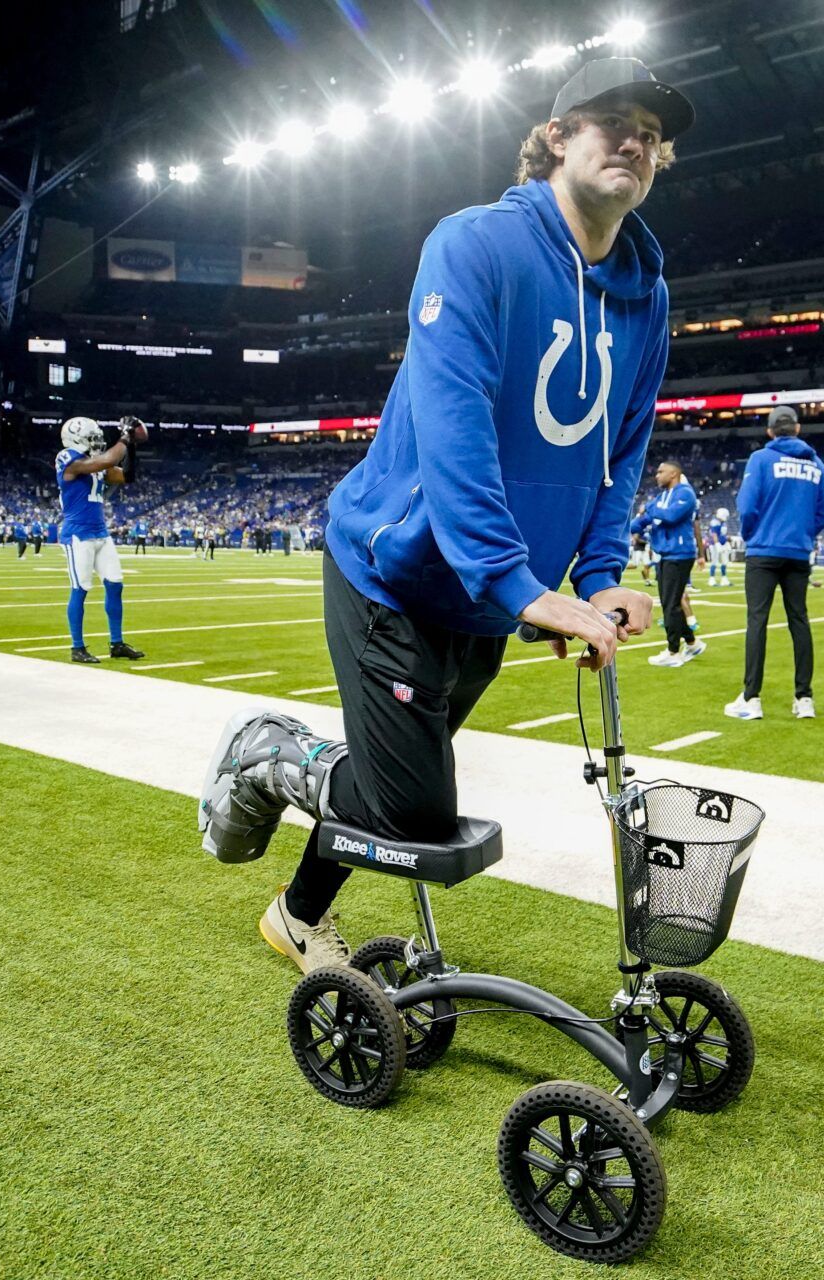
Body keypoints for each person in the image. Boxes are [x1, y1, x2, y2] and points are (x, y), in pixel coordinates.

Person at [200, 57, 689, 973]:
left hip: (493, 596)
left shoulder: (647, 297)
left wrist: (600, 574)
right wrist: (517, 579)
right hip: (397, 570)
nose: (636, 139)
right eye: (611, 119)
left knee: (398, 786)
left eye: (652, 133)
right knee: (413, 810)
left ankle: (298, 915)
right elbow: (452, 425)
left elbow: (620, 452)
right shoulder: (474, 245)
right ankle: (272, 753)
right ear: (556, 136)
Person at [725, 404, 824, 719]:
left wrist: (752, 535)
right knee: (800, 620)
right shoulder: (817, 465)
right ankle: (804, 699)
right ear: (797, 429)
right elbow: (823, 514)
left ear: (770, 431)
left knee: (757, 621)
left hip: (763, 551)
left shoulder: (760, 459)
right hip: (798, 553)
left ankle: (751, 698)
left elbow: (746, 506)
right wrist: (802, 536)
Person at [56, 415, 147, 664]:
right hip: (77, 534)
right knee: (81, 588)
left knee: (115, 584)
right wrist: (125, 438)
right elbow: (107, 459)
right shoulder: (67, 458)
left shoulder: (94, 464)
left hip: (100, 532)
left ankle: (116, 643)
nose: (96, 441)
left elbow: (126, 476)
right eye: (91, 437)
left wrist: (132, 447)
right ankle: (77, 647)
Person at [635, 459, 704, 667]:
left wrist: (648, 508)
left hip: (680, 554)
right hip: (665, 554)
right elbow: (644, 520)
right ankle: (692, 643)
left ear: (673, 474)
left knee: (671, 604)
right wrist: (625, 528)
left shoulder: (685, 493)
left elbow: (672, 516)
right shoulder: (662, 496)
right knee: (669, 603)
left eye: (661, 471)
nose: (657, 475)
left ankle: (673, 652)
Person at [706, 504, 733, 588]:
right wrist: (717, 544)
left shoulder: (722, 522)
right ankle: (711, 579)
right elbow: (714, 534)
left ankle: (724, 579)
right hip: (715, 544)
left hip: (723, 544)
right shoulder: (715, 522)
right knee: (715, 561)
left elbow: (722, 534)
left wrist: (727, 539)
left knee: (724, 562)